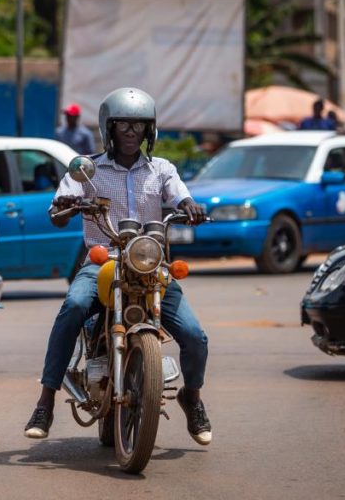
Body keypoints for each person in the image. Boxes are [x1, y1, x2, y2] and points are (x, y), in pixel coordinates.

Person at [24, 87, 212, 446]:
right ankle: (45, 402)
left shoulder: (161, 169)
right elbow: (58, 214)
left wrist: (189, 205)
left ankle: (193, 397)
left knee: (194, 335)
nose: (130, 131)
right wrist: (65, 204)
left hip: (150, 265)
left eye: (138, 125)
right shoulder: (87, 170)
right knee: (74, 306)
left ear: (149, 130)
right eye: (123, 124)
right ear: (108, 128)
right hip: (103, 262)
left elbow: (179, 194)